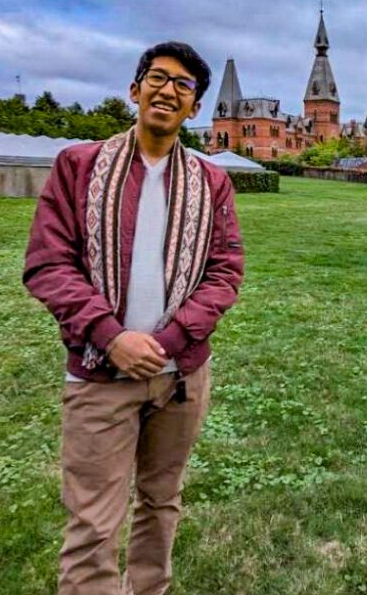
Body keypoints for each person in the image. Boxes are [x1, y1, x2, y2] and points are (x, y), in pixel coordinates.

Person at [24, 41, 244, 595]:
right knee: (93, 526)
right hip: (101, 375)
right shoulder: (79, 166)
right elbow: (49, 265)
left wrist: (169, 342)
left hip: (179, 379)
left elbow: (224, 272)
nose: (168, 90)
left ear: (194, 108)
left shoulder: (211, 182)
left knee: (161, 502)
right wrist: (110, 335)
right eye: (157, 77)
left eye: (184, 85)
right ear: (135, 89)